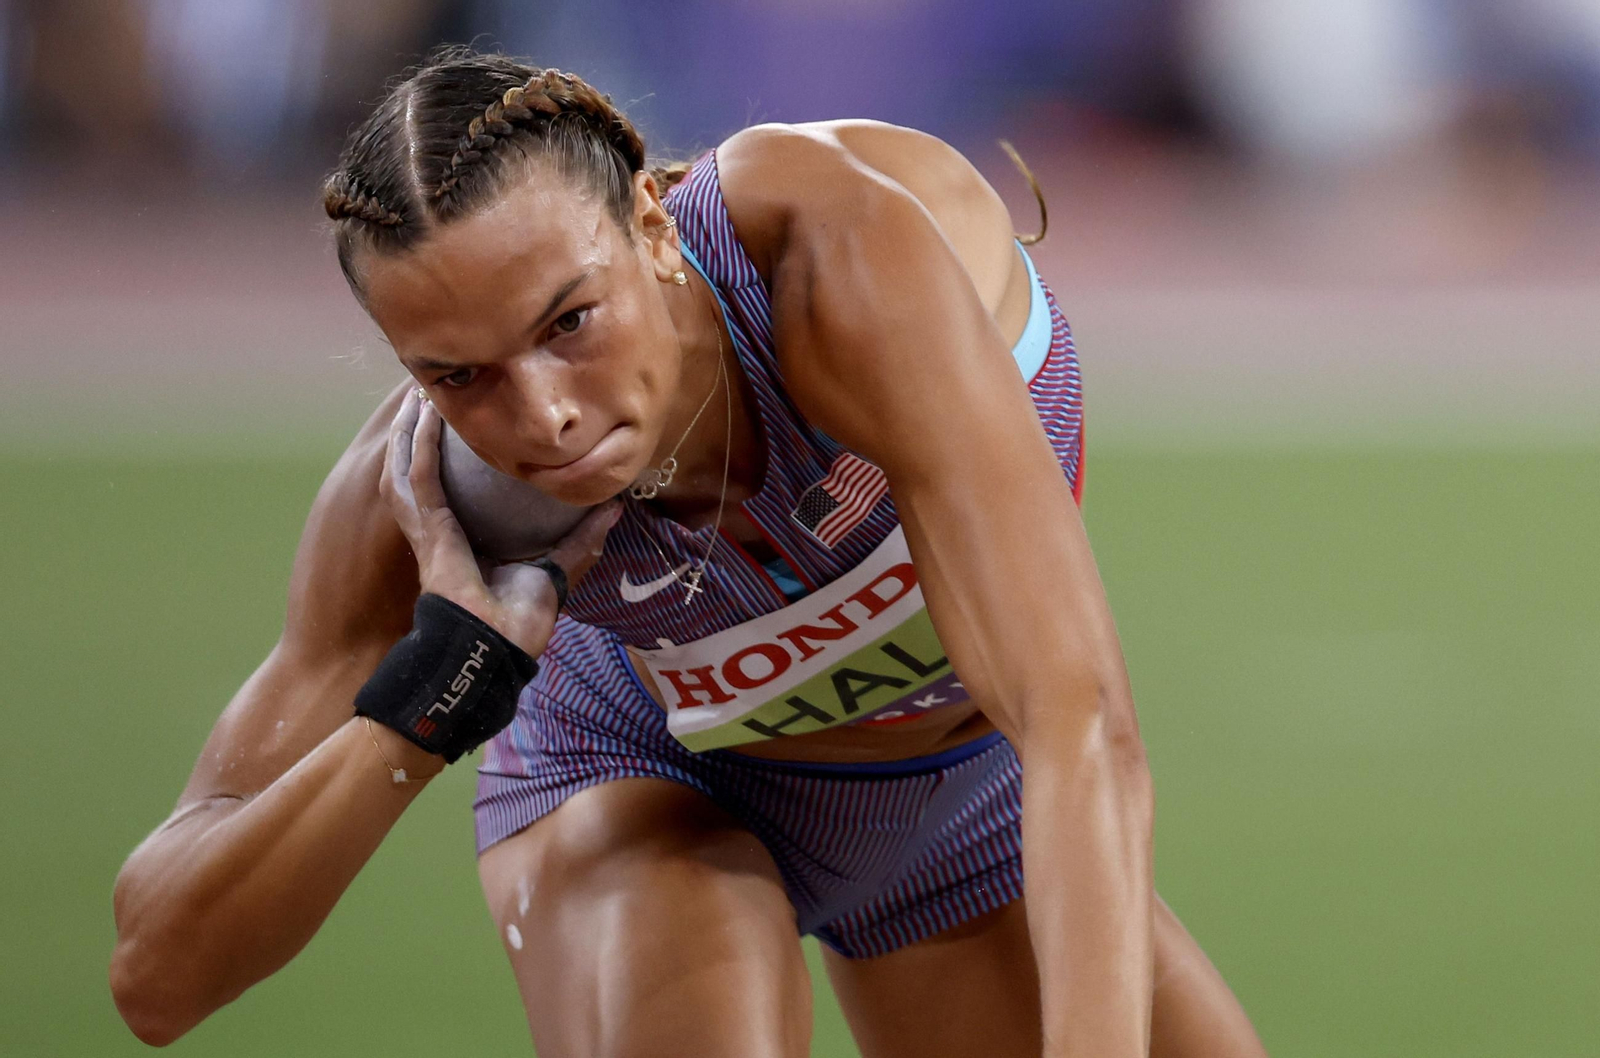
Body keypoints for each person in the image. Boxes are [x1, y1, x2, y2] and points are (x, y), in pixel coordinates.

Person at [110, 48, 1268, 1058]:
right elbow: (160, 973)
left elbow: (1076, 723)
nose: (546, 417)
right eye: (457, 374)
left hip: (959, 808)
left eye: (569, 322)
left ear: (654, 224)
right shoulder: (420, 502)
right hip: (636, 792)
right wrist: (426, 705)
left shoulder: (824, 252)